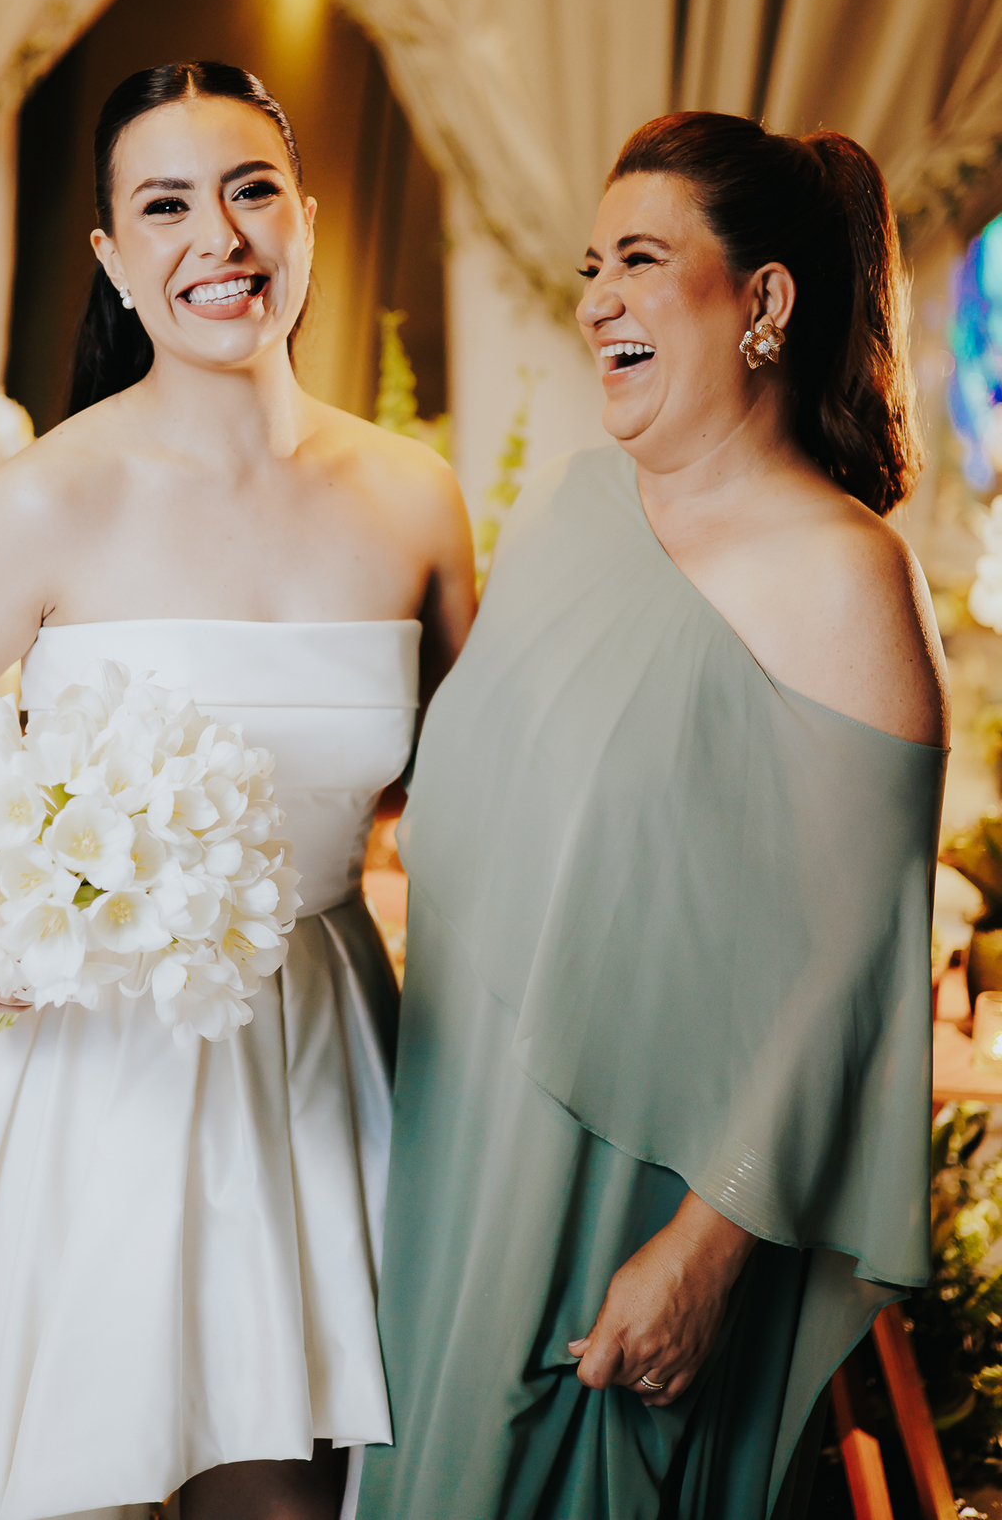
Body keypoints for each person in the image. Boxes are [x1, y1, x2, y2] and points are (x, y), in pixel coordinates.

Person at [0, 61, 475, 1520]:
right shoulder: (50, 492)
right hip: (86, 1054)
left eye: (250, 192)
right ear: (112, 256)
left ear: (305, 220)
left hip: (321, 1043)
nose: (217, 238)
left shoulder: (416, 499)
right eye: (165, 206)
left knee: (290, 1493)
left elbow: (466, 784)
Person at [358, 112, 948, 1520]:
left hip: (632, 1194)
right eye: (591, 267)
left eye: (639, 259)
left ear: (763, 301)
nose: (596, 300)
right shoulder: (566, 513)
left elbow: (851, 972)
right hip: (453, 1146)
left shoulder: (845, 574)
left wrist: (708, 1245)